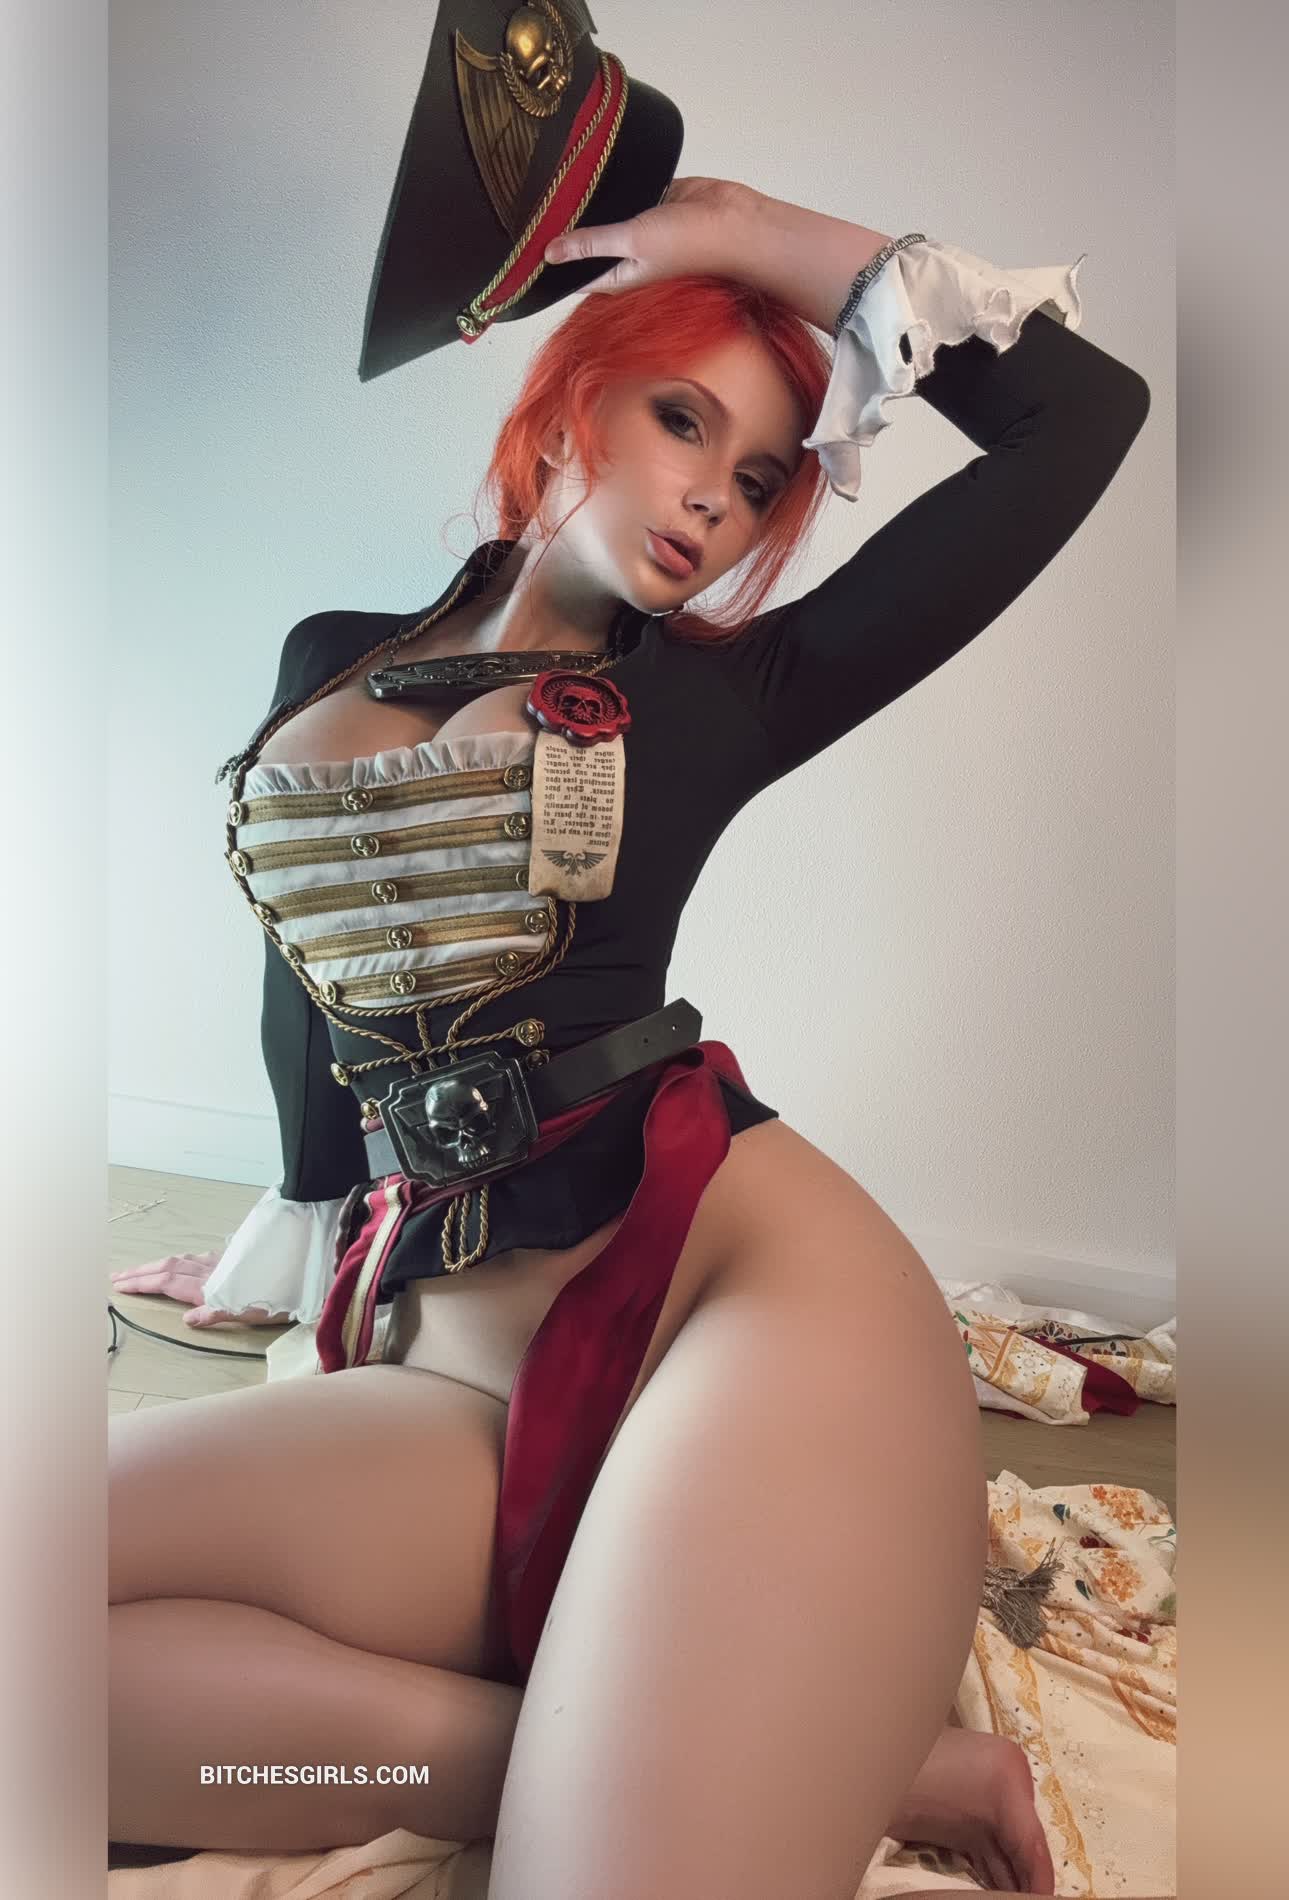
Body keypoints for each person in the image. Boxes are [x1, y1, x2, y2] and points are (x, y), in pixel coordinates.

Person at [109, 176, 1153, 1899]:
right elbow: (313, 981)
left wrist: (739, 227)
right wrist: (288, 1222)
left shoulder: (722, 697)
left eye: (763, 476)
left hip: (742, 1312)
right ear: (570, 403)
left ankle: (669, 1756)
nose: (717, 495)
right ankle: (754, 1754)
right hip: (460, 1367)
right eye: (682, 420)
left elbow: (1078, 416)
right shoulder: (331, 657)